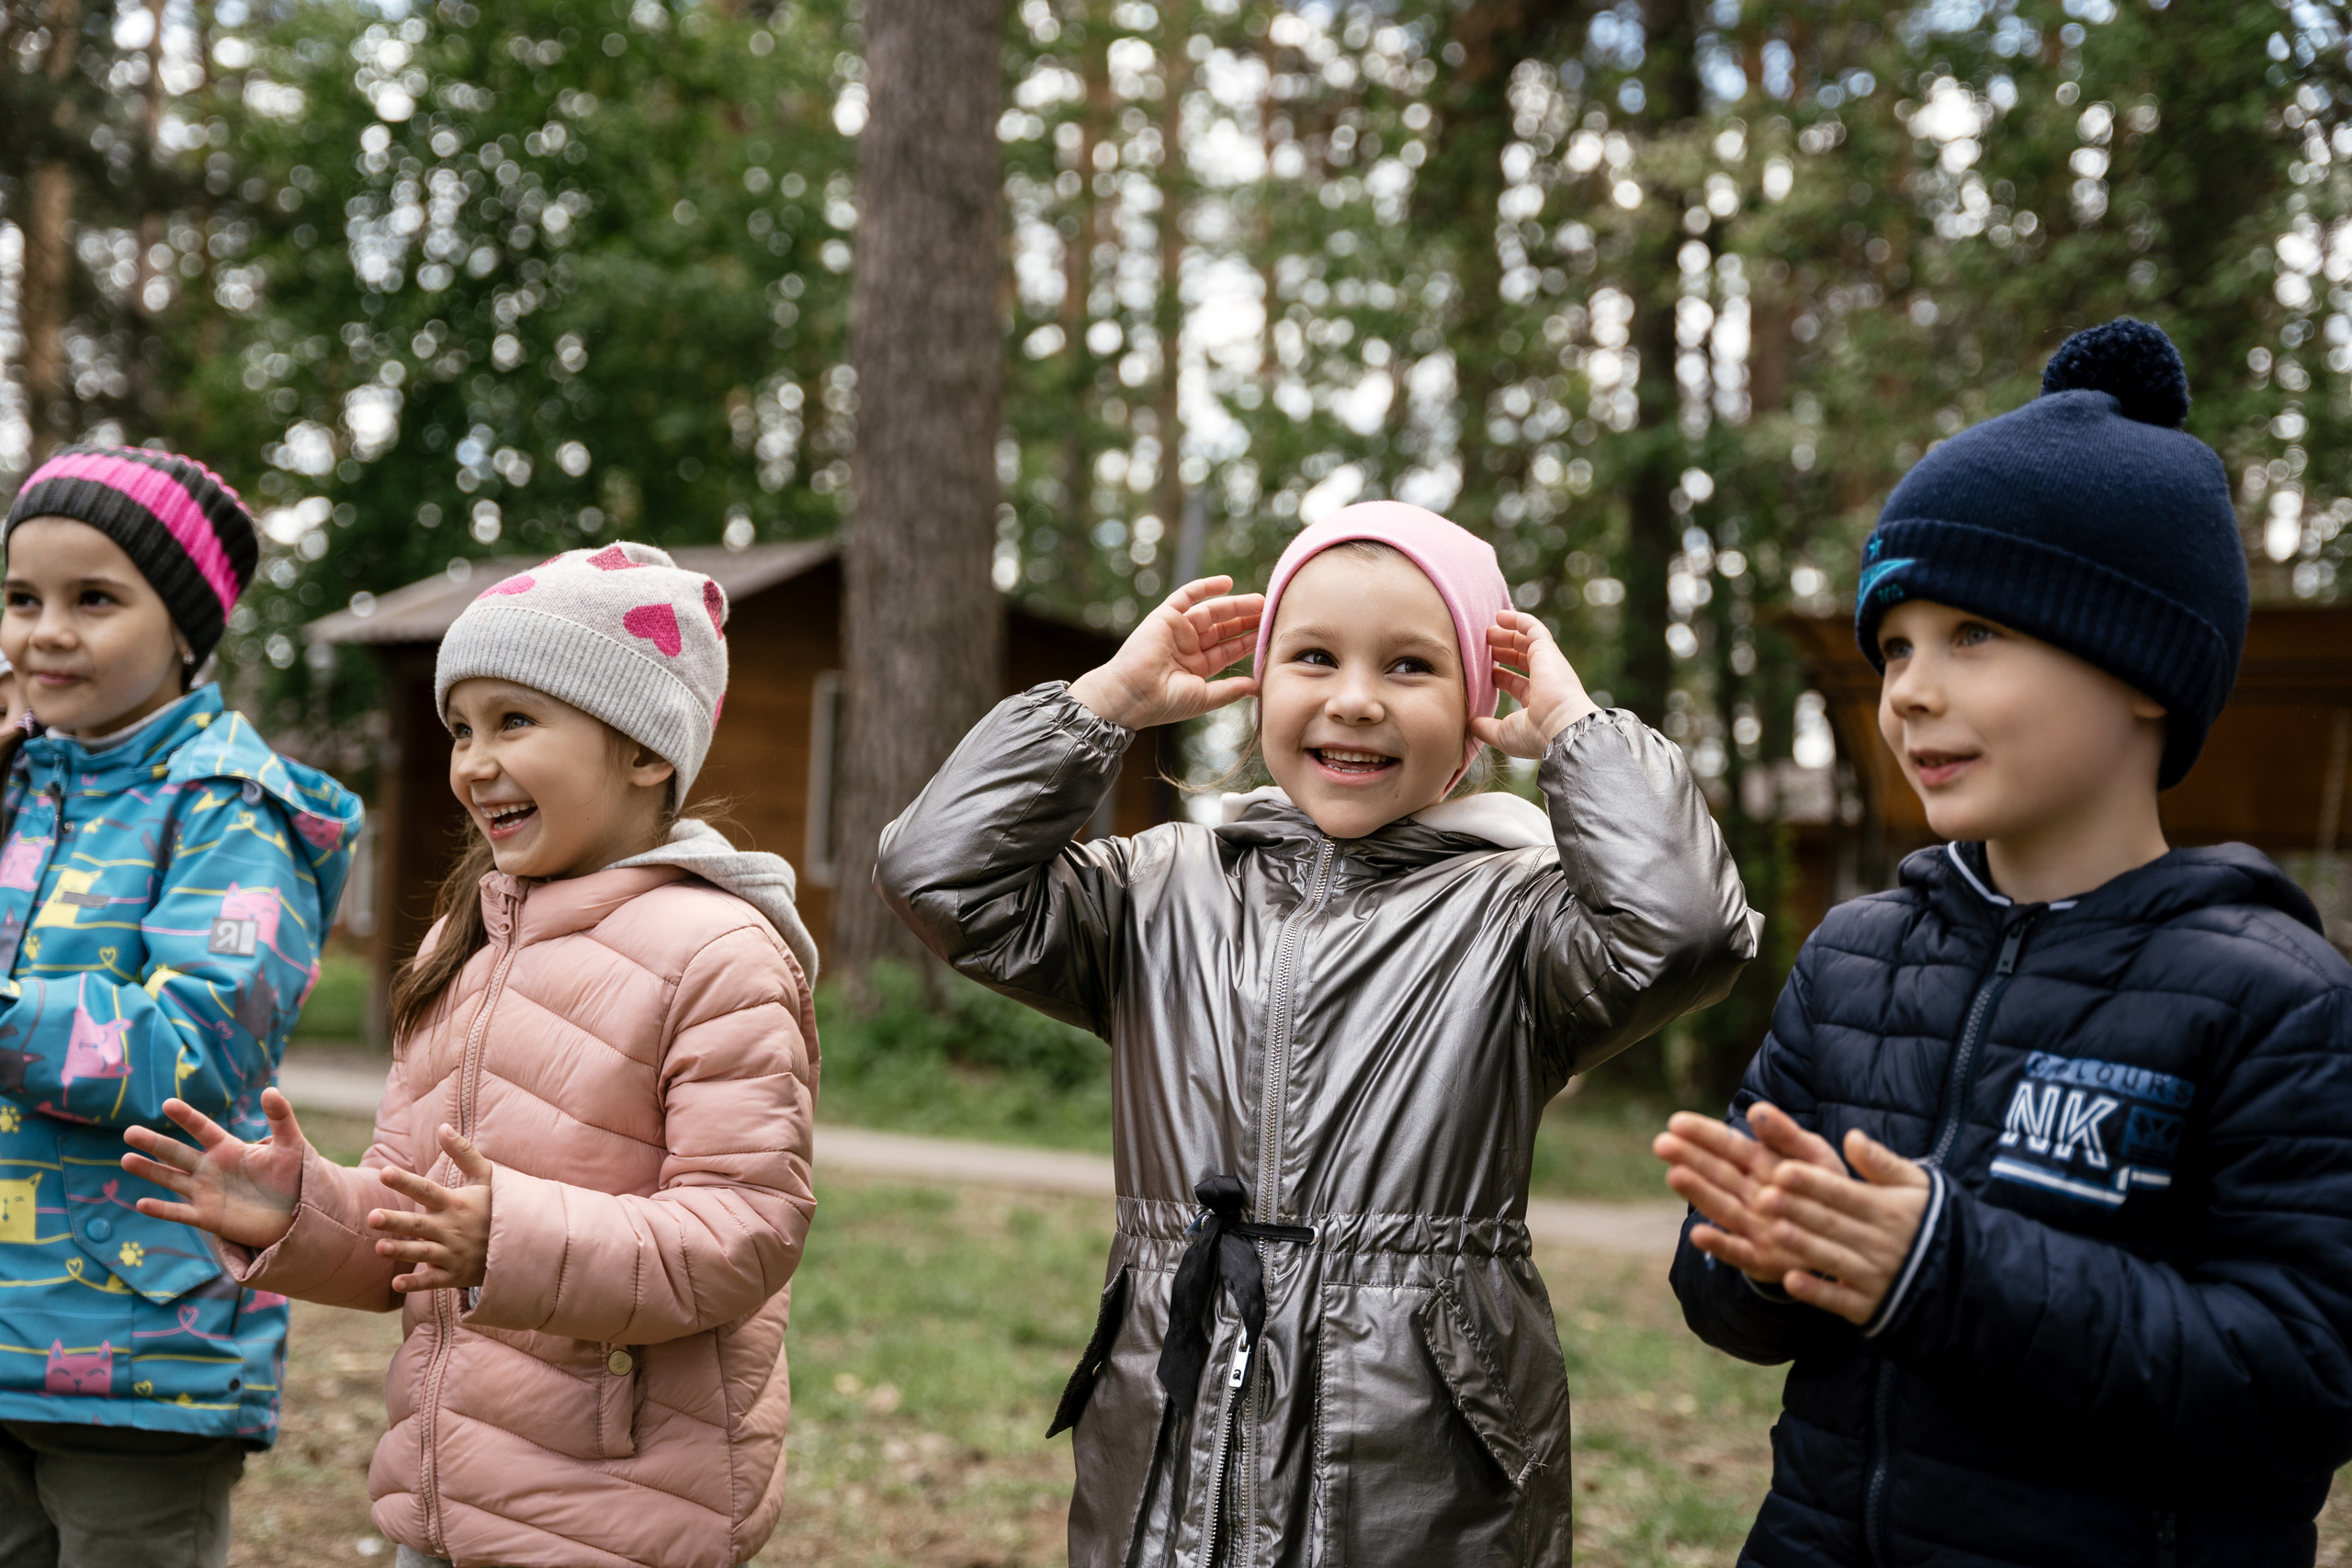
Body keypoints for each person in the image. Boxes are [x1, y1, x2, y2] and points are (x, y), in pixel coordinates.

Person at [877, 501, 1760, 1566]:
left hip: (1417, 1464)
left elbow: (1689, 930)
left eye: (1408, 668)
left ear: (1483, 707)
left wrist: (1576, 732)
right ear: (1260, 683)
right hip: (1168, 1425)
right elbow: (939, 873)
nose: (1353, 700)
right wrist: (1103, 703)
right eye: (1312, 657)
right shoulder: (1157, 895)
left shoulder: (1521, 923)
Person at [1656, 319, 2352, 1566]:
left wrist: (1944, 1266)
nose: (1911, 688)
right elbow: (1728, 1307)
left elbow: (2302, 1379)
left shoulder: (2277, 996)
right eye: (1898, 646)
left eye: (1975, 633)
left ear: (2143, 663)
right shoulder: (1857, 954)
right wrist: (1760, 1257)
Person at [121, 543, 820, 1568]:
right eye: (460, 728)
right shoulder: (464, 945)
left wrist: (509, 1240)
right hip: (444, 1502)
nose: (472, 762)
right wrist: (304, 1211)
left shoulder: (719, 955)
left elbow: (748, 1234)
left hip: (621, 1515)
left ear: (644, 751)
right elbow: (419, 1232)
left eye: (515, 722)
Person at [0, 446, 362, 1567]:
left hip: (140, 1341)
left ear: (188, 628)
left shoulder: (229, 809)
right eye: (20, 598)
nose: (45, 631)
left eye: (94, 599)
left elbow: (196, 1045)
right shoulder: (21, 781)